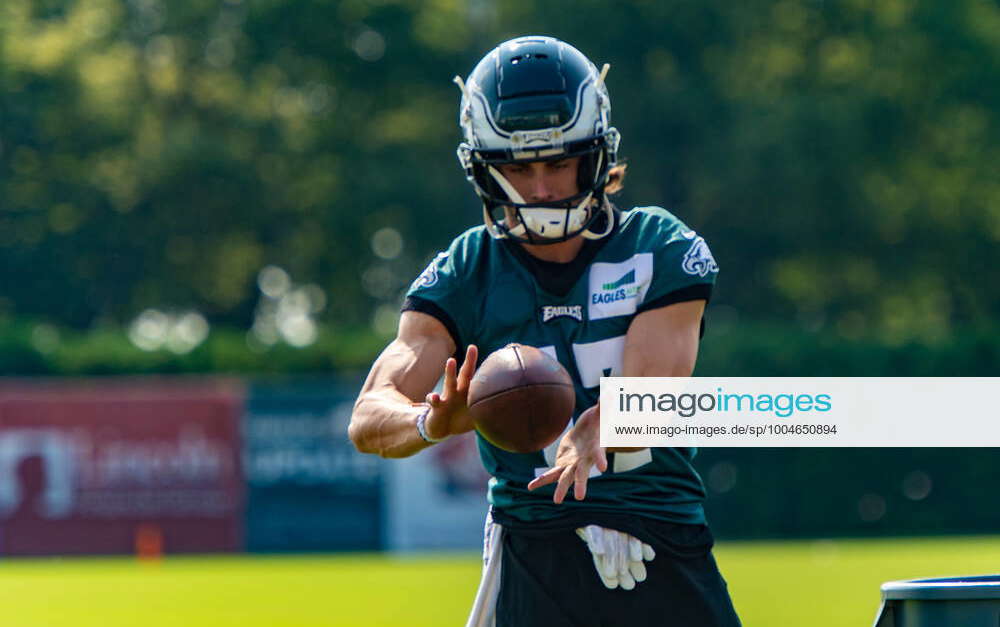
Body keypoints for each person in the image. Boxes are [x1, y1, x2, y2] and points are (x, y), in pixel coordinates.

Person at [349, 35, 741, 627]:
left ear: (597, 157)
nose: (540, 188)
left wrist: (599, 428)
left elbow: (656, 388)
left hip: (657, 526)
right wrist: (433, 420)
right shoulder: (469, 267)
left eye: (558, 162)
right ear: (485, 169)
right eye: (518, 167)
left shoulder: (659, 244)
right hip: (532, 547)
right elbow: (369, 416)